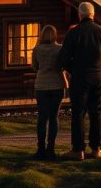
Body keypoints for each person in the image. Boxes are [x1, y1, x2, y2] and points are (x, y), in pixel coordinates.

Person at [58, 1, 101, 160]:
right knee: (96, 112)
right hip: (99, 78)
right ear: (92, 14)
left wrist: (73, 69)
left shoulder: (73, 33)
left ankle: (78, 150)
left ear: (80, 15)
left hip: (80, 78)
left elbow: (63, 59)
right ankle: (96, 149)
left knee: (78, 113)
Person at [31, 24, 66, 159]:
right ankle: (51, 149)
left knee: (42, 117)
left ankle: (40, 149)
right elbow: (62, 66)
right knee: (53, 117)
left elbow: (34, 67)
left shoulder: (36, 49)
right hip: (57, 85)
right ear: (54, 35)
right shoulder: (60, 49)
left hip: (41, 86)